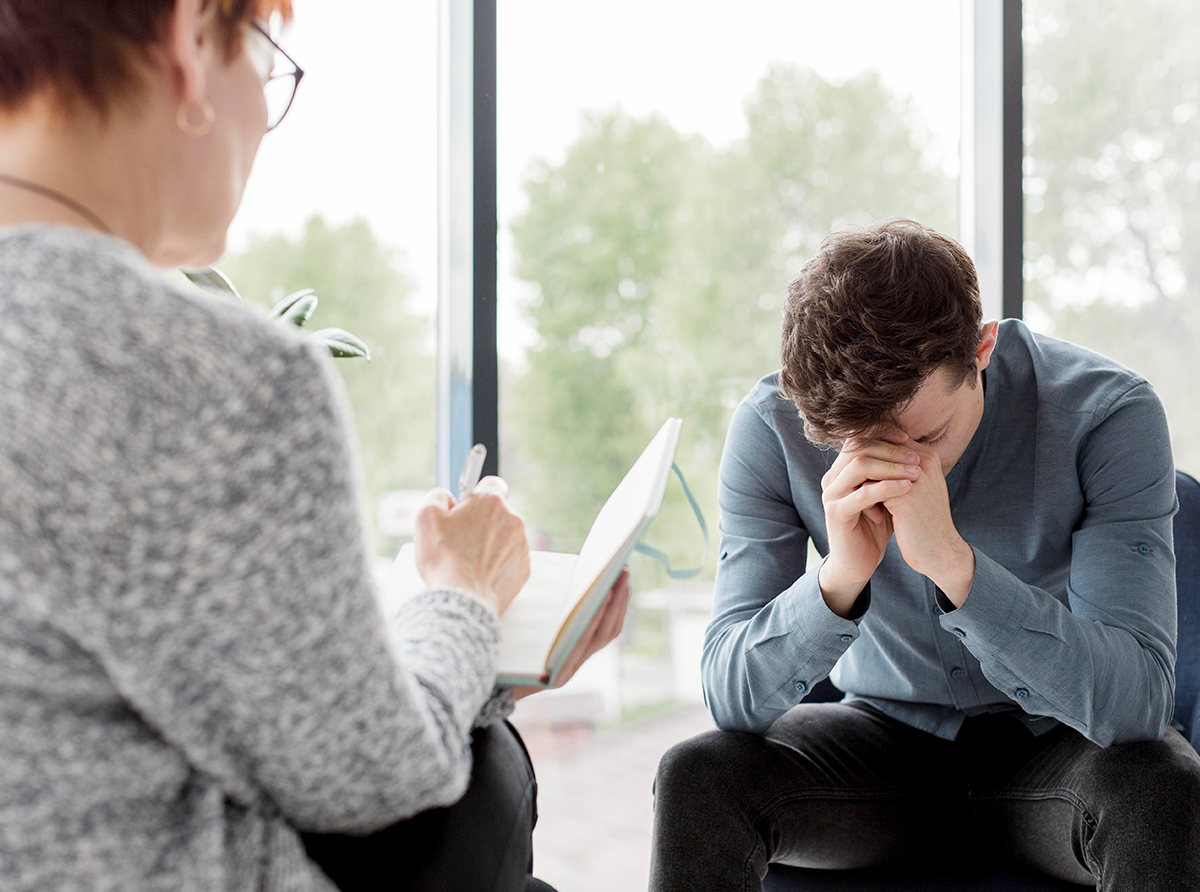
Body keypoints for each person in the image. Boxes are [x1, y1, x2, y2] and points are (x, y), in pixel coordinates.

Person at [0, 2, 630, 891]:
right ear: (189, 39)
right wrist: (468, 599)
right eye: (264, 62)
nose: (263, 113)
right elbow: (370, 774)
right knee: (484, 779)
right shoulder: (210, 373)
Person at [650, 218, 1200, 891]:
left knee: (1160, 785)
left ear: (982, 348)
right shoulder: (771, 427)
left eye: (926, 436)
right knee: (695, 776)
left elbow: (1138, 703)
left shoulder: (1107, 414)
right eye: (861, 445)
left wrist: (954, 567)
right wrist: (839, 578)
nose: (897, 470)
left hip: (1054, 746)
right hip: (879, 751)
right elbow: (729, 698)